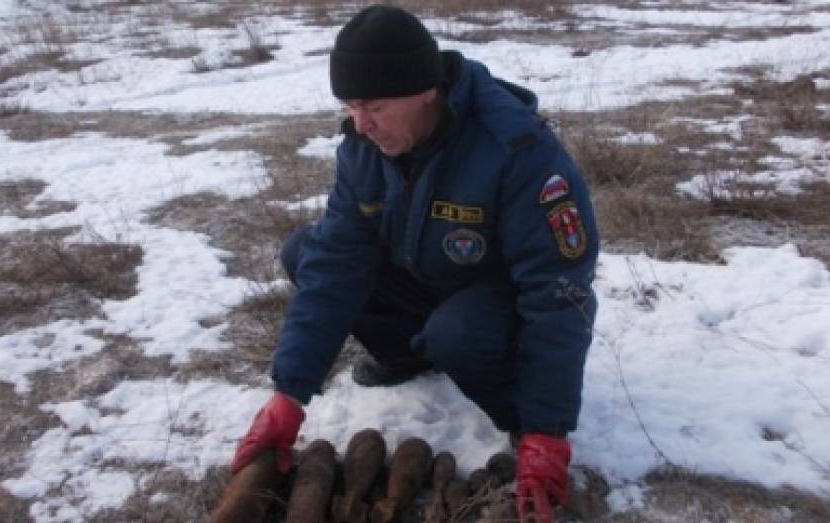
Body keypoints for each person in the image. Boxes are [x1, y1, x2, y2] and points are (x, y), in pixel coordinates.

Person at [231, 5, 598, 522]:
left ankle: (518, 409)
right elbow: (337, 264)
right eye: (351, 105)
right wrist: (288, 392)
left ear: (426, 90)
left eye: (375, 106)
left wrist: (546, 428)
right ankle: (406, 354)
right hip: (429, 278)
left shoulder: (518, 152)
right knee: (306, 251)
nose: (360, 124)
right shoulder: (364, 149)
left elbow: (559, 292)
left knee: (458, 332)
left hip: (496, 306)